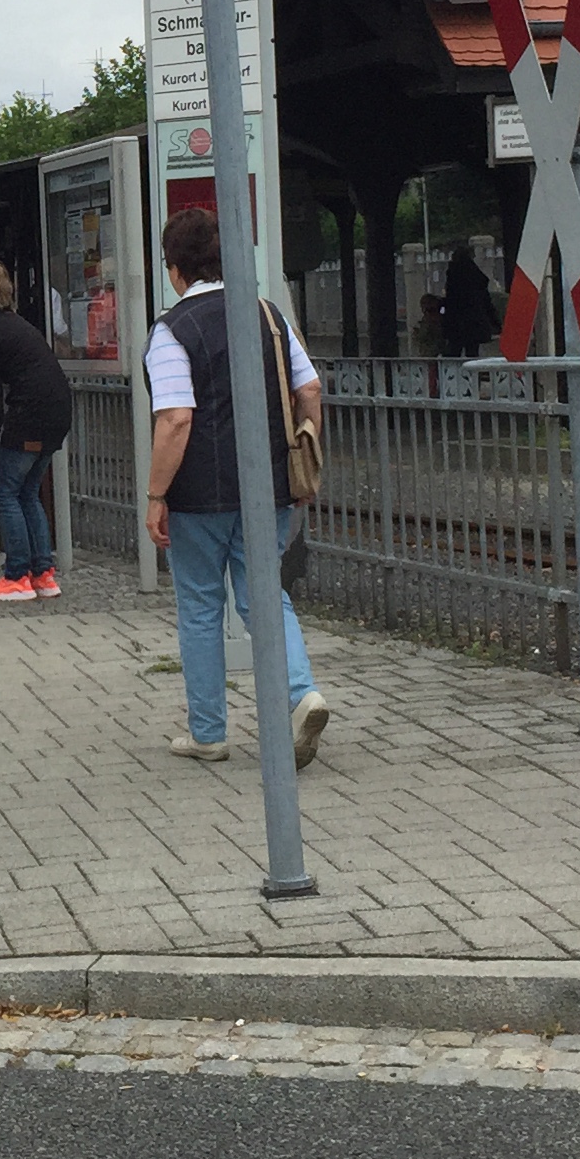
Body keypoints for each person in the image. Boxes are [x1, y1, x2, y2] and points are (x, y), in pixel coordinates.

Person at [143, 207, 332, 769]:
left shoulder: (172, 329)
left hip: (197, 495)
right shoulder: (267, 314)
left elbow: (176, 418)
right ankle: (302, 695)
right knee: (264, 595)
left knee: (202, 606)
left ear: (175, 268)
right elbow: (310, 391)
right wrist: (305, 453)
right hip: (268, 485)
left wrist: (156, 495)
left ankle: (208, 733)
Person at [0, 261, 73, 604]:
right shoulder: (17, 324)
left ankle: (16, 576)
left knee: (5, 493)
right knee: (28, 492)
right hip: (57, 412)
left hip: (29, 415)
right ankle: (43, 573)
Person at [440, 240, 498, 360]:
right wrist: (494, 322)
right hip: (474, 322)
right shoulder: (476, 277)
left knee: (453, 352)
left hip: (456, 322)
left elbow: (449, 301)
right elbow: (486, 301)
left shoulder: (453, 276)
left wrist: (442, 313)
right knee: (472, 352)